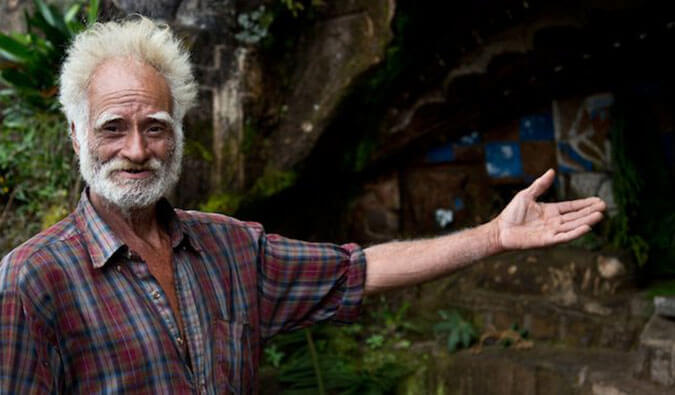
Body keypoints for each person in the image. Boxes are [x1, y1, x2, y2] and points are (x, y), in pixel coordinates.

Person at [0, 17, 606, 394]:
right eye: (113, 127)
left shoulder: (230, 247)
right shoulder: (33, 279)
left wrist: (493, 236)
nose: (137, 149)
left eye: (156, 127)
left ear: (179, 134)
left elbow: (357, 271)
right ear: (77, 135)